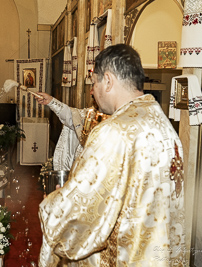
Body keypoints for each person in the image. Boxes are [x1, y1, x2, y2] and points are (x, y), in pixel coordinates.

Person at [37, 44, 185, 266]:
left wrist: (53, 202)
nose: (93, 91)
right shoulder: (165, 126)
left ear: (107, 80)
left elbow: (80, 214)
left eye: (94, 82)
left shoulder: (114, 131)